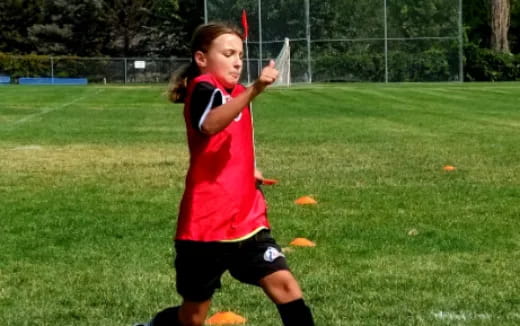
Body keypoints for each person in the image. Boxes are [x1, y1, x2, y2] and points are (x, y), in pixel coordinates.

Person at [135, 22, 314, 326]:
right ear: (202, 59)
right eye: (228, 53)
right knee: (192, 317)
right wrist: (256, 90)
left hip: (247, 220)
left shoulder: (238, 92)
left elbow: (232, 143)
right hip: (205, 226)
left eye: (240, 55)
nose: (237, 61)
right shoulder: (204, 89)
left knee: (286, 288)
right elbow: (210, 125)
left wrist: (248, 170)